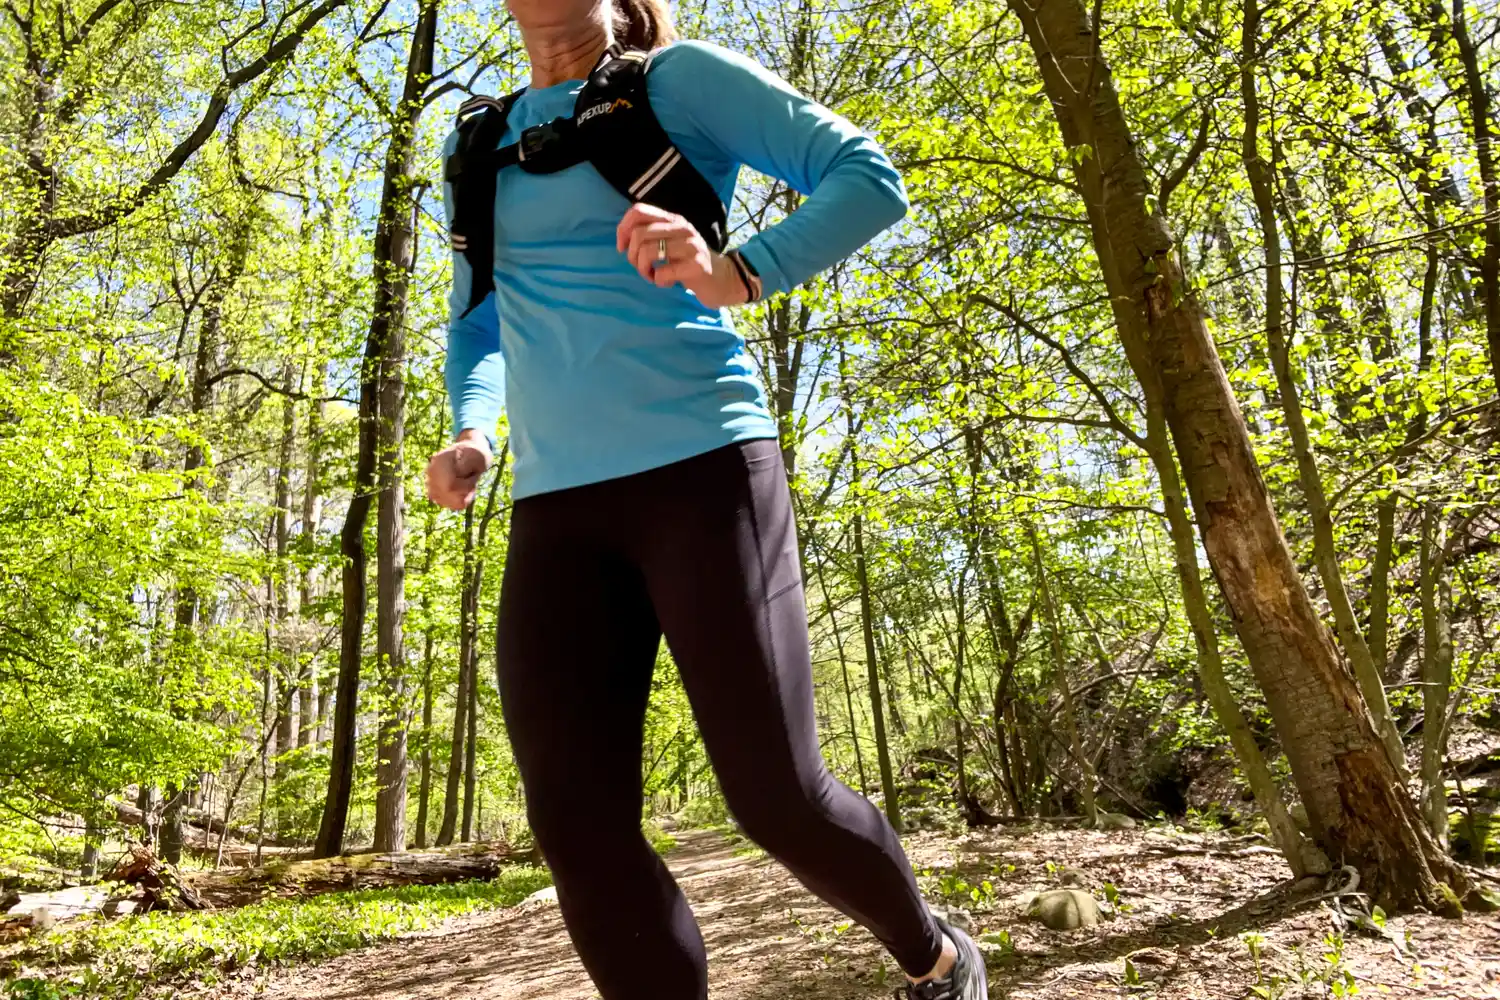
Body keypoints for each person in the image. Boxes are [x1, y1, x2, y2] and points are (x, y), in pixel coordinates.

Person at [424, 2, 988, 999]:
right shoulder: (479, 142)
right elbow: (476, 323)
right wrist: (475, 429)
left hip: (705, 472)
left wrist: (739, 270)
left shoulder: (675, 82)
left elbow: (869, 178)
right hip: (558, 509)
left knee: (776, 798)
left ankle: (938, 960)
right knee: (577, 826)